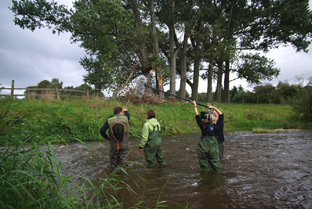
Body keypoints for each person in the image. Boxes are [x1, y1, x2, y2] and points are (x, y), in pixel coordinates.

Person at [191, 101, 223, 172]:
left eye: (206, 117)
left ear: (208, 119)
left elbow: (197, 115)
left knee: (204, 167)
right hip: (213, 149)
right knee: (216, 166)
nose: (204, 118)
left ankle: (205, 177)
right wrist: (213, 108)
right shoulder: (218, 126)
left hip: (203, 149)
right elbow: (221, 115)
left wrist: (195, 105)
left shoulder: (203, 126)